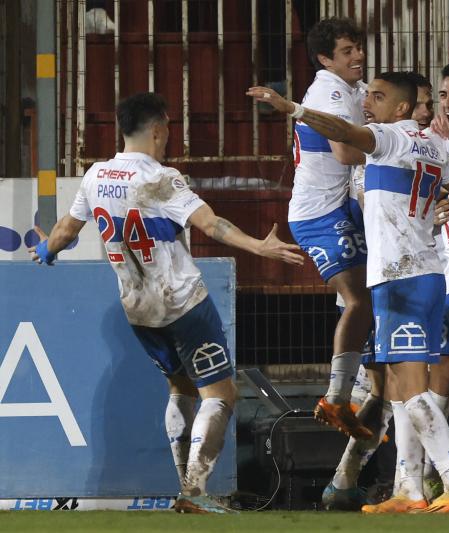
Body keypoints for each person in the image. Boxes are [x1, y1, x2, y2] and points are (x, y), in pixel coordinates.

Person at [29, 92, 305, 514]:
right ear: (158, 130)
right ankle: (195, 491)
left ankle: (186, 487)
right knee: (221, 394)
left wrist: (46, 250)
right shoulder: (162, 179)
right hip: (183, 302)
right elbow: (211, 223)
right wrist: (259, 246)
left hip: (138, 309)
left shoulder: (96, 175)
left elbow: (66, 230)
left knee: (181, 387)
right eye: (169, 130)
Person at [249, 71, 449, 514]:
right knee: (400, 389)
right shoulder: (434, 145)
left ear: (400, 108)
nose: (367, 103)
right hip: (428, 274)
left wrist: (294, 109)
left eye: (377, 96)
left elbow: (341, 132)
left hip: (399, 277)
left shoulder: (388, 138)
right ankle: (411, 492)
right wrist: (434, 206)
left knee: (411, 390)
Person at [320, 71, 436, 511]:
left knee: (406, 387)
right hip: (390, 279)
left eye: (430, 104)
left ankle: (412, 481)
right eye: (423, 103)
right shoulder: (377, 153)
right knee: (386, 388)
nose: (427, 111)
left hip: (419, 277)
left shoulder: (426, 146)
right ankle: (371, 478)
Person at [287, 17, 374, 440]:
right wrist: (401, 153)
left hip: (340, 208)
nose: (358, 55)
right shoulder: (330, 91)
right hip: (318, 214)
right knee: (359, 298)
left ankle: (357, 391)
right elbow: (343, 152)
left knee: (367, 294)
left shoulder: (354, 88)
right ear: (325, 59)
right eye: (347, 51)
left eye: (358, 47)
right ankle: (338, 396)